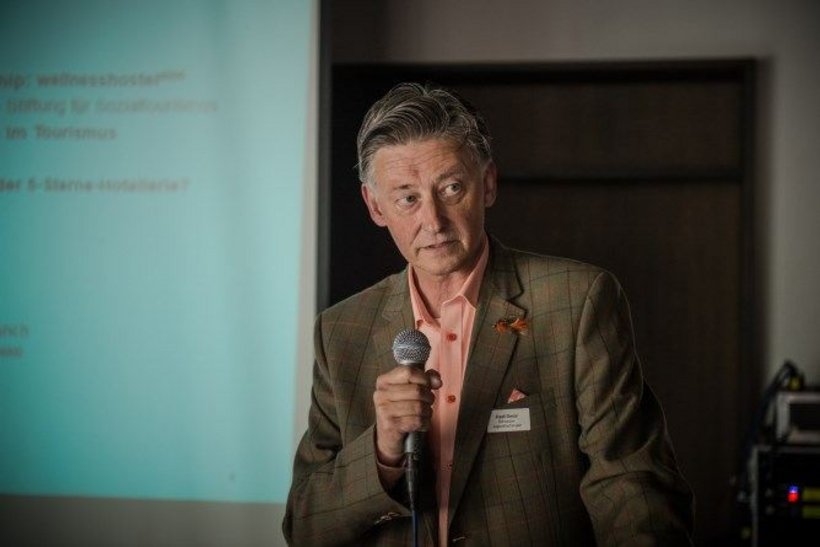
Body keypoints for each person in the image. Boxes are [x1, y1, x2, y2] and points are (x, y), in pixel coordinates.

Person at [283, 82, 694, 546]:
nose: (433, 221)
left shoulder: (577, 301)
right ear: (375, 206)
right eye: (407, 198)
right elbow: (305, 526)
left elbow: (632, 487)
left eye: (451, 188)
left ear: (489, 184)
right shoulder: (340, 330)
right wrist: (382, 450)